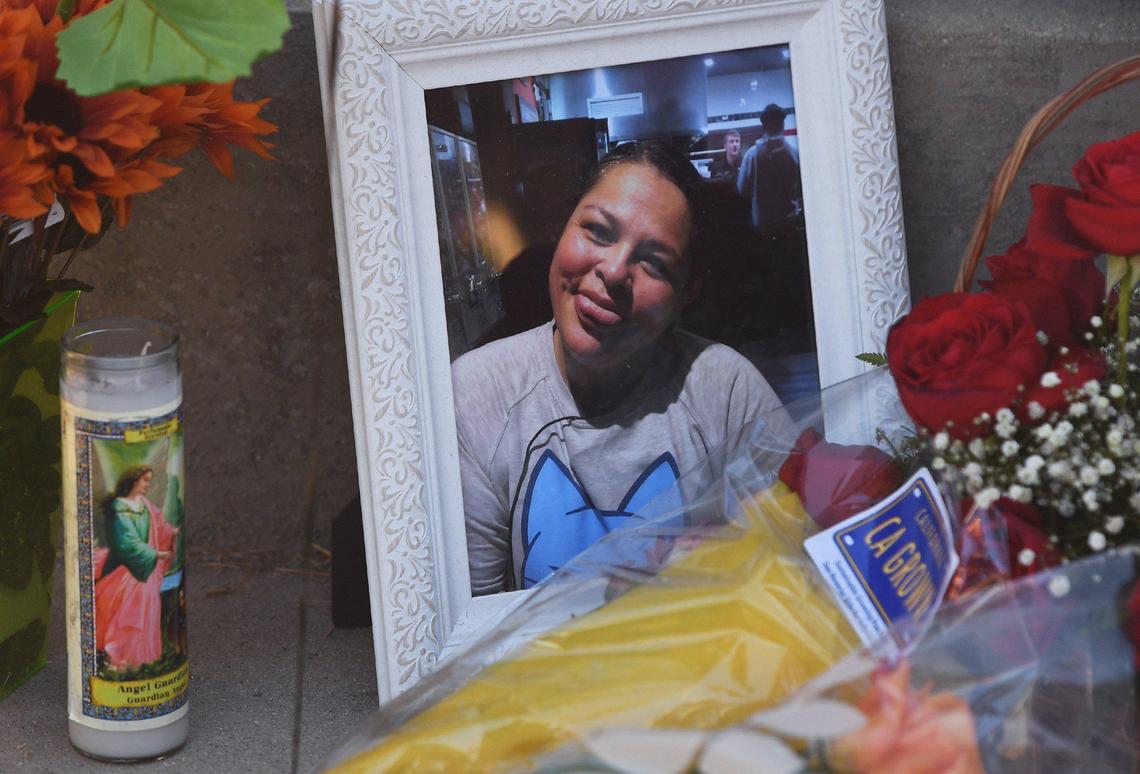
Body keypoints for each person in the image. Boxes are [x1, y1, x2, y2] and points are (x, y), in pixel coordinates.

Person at [452, 142, 784, 595]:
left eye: (655, 262)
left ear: (686, 294)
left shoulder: (725, 390)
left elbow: (790, 574)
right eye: (597, 231)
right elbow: (472, 622)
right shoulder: (479, 393)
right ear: (561, 230)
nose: (613, 271)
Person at [93, 465, 179, 670]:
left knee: (148, 607)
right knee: (127, 610)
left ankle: (142, 659)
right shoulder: (119, 507)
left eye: (149, 480)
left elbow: (159, 524)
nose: (147, 484)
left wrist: (171, 532)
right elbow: (127, 541)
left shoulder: (144, 503)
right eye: (144, 480)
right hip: (129, 565)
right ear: (133, 480)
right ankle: (121, 657)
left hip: (147, 567)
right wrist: (155, 554)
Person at [737, 104, 801, 235]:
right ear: (783, 125)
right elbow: (801, 191)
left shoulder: (752, 155)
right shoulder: (794, 154)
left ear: (764, 127)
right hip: (788, 226)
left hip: (762, 229)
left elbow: (741, 191)